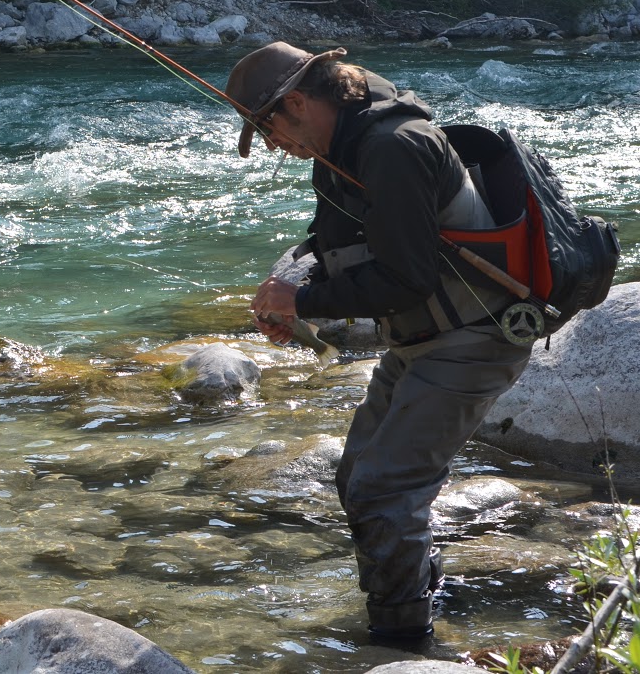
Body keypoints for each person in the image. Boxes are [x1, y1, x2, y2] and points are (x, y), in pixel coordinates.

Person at [225, 41, 532, 644]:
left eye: (266, 128)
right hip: (423, 338)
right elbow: (332, 245)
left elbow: (405, 279)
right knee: (357, 478)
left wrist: (302, 304)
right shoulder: (337, 149)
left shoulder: (395, 147)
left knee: (383, 490)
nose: (270, 144)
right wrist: (295, 293)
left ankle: (401, 641)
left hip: (473, 338)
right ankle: (420, 595)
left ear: (297, 103)